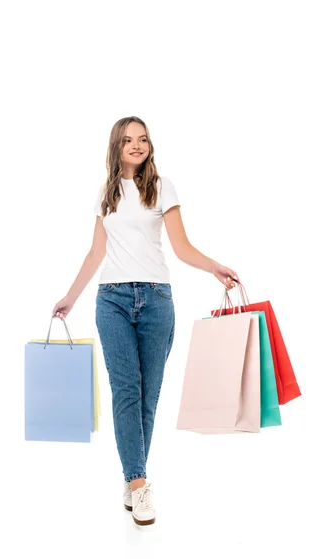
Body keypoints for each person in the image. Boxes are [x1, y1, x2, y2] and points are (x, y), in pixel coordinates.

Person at [52, 116, 239, 527]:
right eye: (127, 140)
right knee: (127, 392)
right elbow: (95, 253)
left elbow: (181, 247)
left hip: (156, 300)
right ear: (116, 147)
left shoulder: (162, 187)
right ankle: (139, 484)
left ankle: (131, 477)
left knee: (148, 397)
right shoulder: (106, 193)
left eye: (142, 139)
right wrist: (70, 296)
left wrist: (214, 267)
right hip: (112, 300)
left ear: (149, 145)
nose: (136, 145)